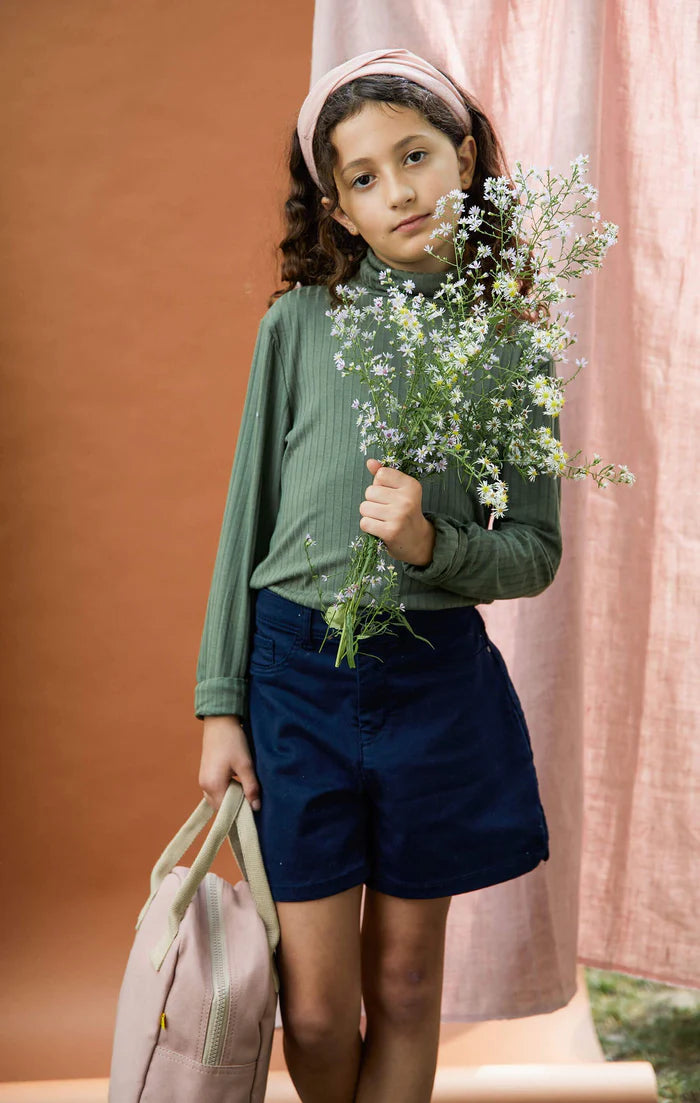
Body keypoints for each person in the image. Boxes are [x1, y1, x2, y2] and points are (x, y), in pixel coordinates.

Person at [195, 47, 562, 1103]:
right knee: (310, 1006)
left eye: (414, 156)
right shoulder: (295, 325)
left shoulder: (513, 345)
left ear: (466, 159)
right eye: (361, 177)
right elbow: (242, 523)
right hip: (292, 681)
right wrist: (220, 705)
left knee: (402, 979)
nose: (396, 189)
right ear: (339, 212)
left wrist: (428, 546)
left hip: (432, 684)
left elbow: (532, 552)